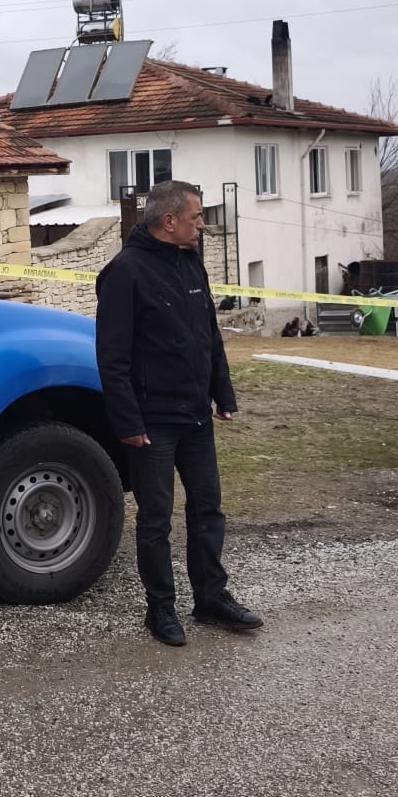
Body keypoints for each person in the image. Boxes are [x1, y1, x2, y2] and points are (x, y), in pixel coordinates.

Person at [95, 179, 263, 645]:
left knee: (208, 509)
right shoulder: (124, 273)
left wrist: (222, 393)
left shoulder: (192, 263)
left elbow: (209, 335)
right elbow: (112, 358)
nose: (203, 225)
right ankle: (161, 610)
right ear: (169, 221)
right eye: (197, 217)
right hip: (151, 424)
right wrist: (127, 423)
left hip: (195, 417)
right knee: (156, 520)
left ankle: (211, 598)